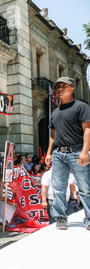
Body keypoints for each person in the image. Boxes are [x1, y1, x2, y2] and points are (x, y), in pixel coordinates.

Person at [45, 77, 90, 230]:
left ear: (72, 88)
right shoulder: (55, 112)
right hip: (58, 153)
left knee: (84, 187)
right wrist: (49, 153)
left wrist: (85, 151)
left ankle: (89, 218)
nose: (60, 89)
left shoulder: (81, 107)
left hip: (77, 151)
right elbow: (53, 135)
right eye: (57, 87)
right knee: (58, 187)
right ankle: (60, 218)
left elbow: (88, 129)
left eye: (64, 86)